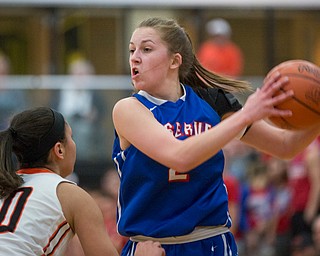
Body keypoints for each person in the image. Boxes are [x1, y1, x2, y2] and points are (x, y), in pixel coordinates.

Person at [111, 17, 320, 256]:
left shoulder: (211, 103)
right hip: (152, 246)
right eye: (132, 50)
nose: (135, 57)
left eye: (146, 49)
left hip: (211, 242)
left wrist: (316, 113)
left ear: (174, 61)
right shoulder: (128, 109)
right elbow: (179, 156)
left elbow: (286, 145)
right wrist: (245, 116)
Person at [0, 107, 165, 256]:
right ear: (59, 149)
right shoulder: (71, 194)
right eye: (71, 137)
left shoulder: (6, 185)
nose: (74, 143)